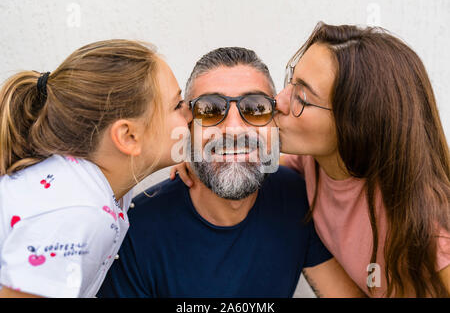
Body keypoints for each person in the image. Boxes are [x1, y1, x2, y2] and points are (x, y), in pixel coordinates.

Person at [173, 23, 450, 297]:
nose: (278, 101)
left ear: (354, 124)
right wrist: (202, 157)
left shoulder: (433, 231)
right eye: (290, 82)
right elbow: (244, 166)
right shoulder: (308, 165)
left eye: (301, 97)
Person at [97, 47, 364, 298]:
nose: (234, 130)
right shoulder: (134, 232)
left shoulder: (295, 196)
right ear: (188, 125)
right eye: (210, 110)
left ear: (276, 121)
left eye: (256, 108)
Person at [0, 39, 192, 297]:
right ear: (127, 136)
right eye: (177, 105)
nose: (191, 114)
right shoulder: (79, 212)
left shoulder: (97, 184)